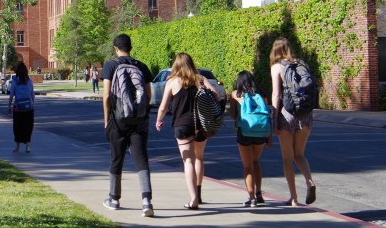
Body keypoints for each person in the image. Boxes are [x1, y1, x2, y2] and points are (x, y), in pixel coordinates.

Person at [156, 52, 220, 210]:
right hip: (201, 124)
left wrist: (159, 119)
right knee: (199, 158)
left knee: (188, 161)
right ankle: (198, 193)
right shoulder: (200, 79)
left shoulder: (172, 82)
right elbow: (217, 96)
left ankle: (193, 199)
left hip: (182, 125)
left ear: (176, 65)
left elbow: (164, 106)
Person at [101, 34, 155, 217]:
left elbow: (107, 96)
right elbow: (148, 95)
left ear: (116, 48)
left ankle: (114, 198)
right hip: (139, 121)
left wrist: (106, 118)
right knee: (141, 159)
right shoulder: (141, 66)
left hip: (119, 120)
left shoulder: (111, 66)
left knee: (117, 159)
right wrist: (142, 113)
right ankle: (147, 201)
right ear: (130, 48)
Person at [270, 37, 316, 206]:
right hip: (305, 114)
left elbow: (276, 94)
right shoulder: (302, 64)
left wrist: (274, 119)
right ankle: (309, 181)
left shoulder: (277, 67)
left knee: (287, 158)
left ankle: (294, 198)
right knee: (300, 154)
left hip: (286, 115)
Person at [230, 70, 271, 207]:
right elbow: (267, 115)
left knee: (247, 166)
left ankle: (252, 198)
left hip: (245, 132)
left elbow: (232, 116)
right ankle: (259, 193)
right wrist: (269, 136)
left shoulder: (236, 94)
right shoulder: (262, 95)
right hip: (261, 132)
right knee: (256, 161)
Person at [7, 62, 34, 153]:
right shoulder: (29, 81)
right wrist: (32, 104)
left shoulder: (14, 81)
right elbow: (32, 94)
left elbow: (11, 95)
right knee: (28, 127)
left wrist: (9, 106)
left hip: (18, 108)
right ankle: (28, 146)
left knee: (17, 127)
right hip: (28, 108)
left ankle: (17, 147)